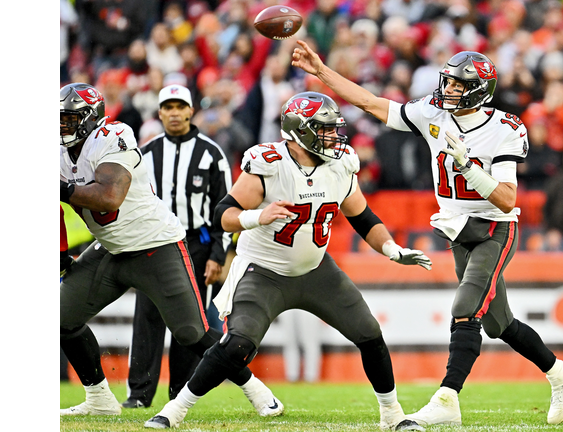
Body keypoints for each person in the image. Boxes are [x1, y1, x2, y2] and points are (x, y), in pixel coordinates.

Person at [291, 43, 563, 425]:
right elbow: (371, 103)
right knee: (498, 323)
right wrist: (322, 71)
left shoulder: (504, 129)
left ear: (479, 89)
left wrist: (466, 165)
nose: (447, 90)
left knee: (465, 307)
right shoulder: (433, 112)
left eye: (457, 85)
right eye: (447, 81)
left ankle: (447, 399)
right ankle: (561, 374)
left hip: (495, 228)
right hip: (458, 228)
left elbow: (506, 199)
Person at [144, 91, 431, 431]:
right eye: (323, 129)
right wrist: (256, 217)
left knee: (369, 333)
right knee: (236, 345)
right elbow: (222, 214)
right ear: (300, 132)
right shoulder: (268, 163)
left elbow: (363, 217)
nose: (333, 137)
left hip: (317, 270)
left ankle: (393, 415)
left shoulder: (341, 164)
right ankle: (174, 410)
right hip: (264, 271)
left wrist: (390, 249)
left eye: (332, 129)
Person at [59, 83, 282, 417]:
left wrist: (58, 186)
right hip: (109, 247)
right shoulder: (55, 150)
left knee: (192, 332)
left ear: (91, 119)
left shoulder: (114, 134)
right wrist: (60, 253)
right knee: (60, 318)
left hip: (155, 244)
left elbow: (108, 197)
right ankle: (99, 399)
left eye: (69, 119)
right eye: (59, 119)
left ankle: (257, 389)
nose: (62, 126)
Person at [122, 84, 232, 409]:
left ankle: (180, 397)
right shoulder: (145, 154)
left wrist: (217, 254)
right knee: (147, 318)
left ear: (190, 110)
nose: (173, 113)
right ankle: (138, 395)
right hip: (154, 244)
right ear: (159, 113)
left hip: (195, 244)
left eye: (178, 106)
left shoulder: (212, 153)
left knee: (191, 324)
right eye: (167, 107)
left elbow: (223, 209)